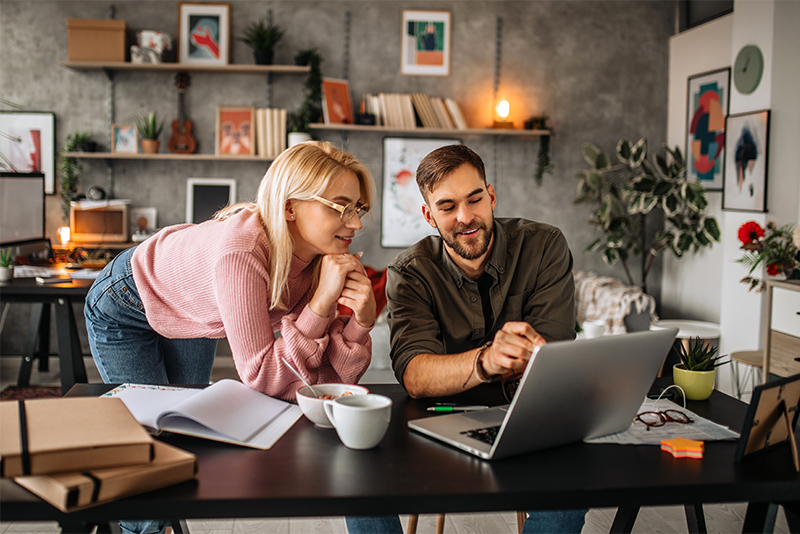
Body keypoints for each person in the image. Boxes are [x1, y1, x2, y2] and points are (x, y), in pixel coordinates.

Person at [84, 141, 377, 534]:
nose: (355, 223)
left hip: (196, 314)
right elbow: (262, 376)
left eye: (357, 208)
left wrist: (361, 322)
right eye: (340, 207)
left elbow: (322, 384)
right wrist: (321, 304)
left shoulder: (320, 260)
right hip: (126, 301)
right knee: (143, 449)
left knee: (183, 435)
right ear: (290, 206)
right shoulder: (242, 250)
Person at [346, 144, 585, 534]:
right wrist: (488, 361)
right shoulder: (410, 272)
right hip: (438, 420)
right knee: (356, 475)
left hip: (527, 416)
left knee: (570, 493)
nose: (465, 217)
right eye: (447, 206)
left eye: (475, 199)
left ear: (491, 196)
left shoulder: (544, 246)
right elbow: (415, 375)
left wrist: (530, 359)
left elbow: (554, 356)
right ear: (428, 215)